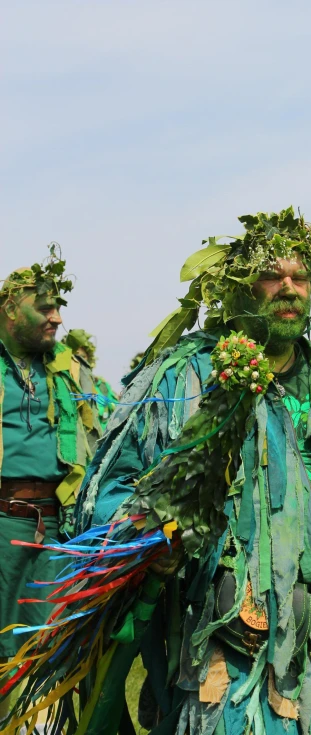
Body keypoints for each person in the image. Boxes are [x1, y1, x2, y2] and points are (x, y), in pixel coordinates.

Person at [4, 211, 311, 735]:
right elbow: (106, 490)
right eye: (273, 276)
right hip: (222, 632)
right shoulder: (185, 376)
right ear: (238, 289)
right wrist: (148, 535)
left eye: (300, 277)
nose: (288, 288)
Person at [0, 246, 101, 713]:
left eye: (59, 307)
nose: (57, 317)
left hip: (54, 527)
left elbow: (107, 427)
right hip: (1, 523)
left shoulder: (70, 370)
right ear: (8, 309)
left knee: (42, 646)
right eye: (44, 307)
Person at [62, 328, 119, 433]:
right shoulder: (62, 385)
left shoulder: (102, 385)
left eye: (83, 357)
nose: (79, 361)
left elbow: (117, 409)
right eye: (74, 357)